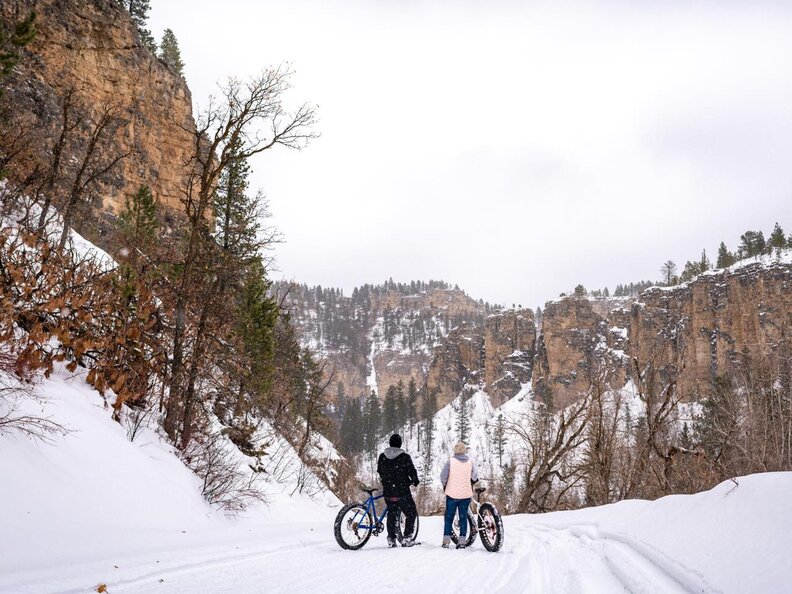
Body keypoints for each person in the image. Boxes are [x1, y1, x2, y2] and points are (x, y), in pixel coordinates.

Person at [377, 433, 420, 548]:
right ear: (400, 444)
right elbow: (412, 472)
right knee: (411, 512)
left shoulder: (382, 456)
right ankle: (407, 538)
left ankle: (391, 539)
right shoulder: (405, 457)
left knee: (392, 514)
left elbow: (379, 471)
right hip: (402, 491)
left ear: (390, 444)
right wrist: (415, 481)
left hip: (388, 491)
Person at [440, 441, 478, 549]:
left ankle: (446, 541)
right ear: (465, 450)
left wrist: (445, 484)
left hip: (451, 494)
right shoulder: (470, 462)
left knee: (449, 517)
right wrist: (470, 481)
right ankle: (462, 541)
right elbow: (475, 476)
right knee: (463, 517)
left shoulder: (450, 462)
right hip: (465, 495)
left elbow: (443, 476)